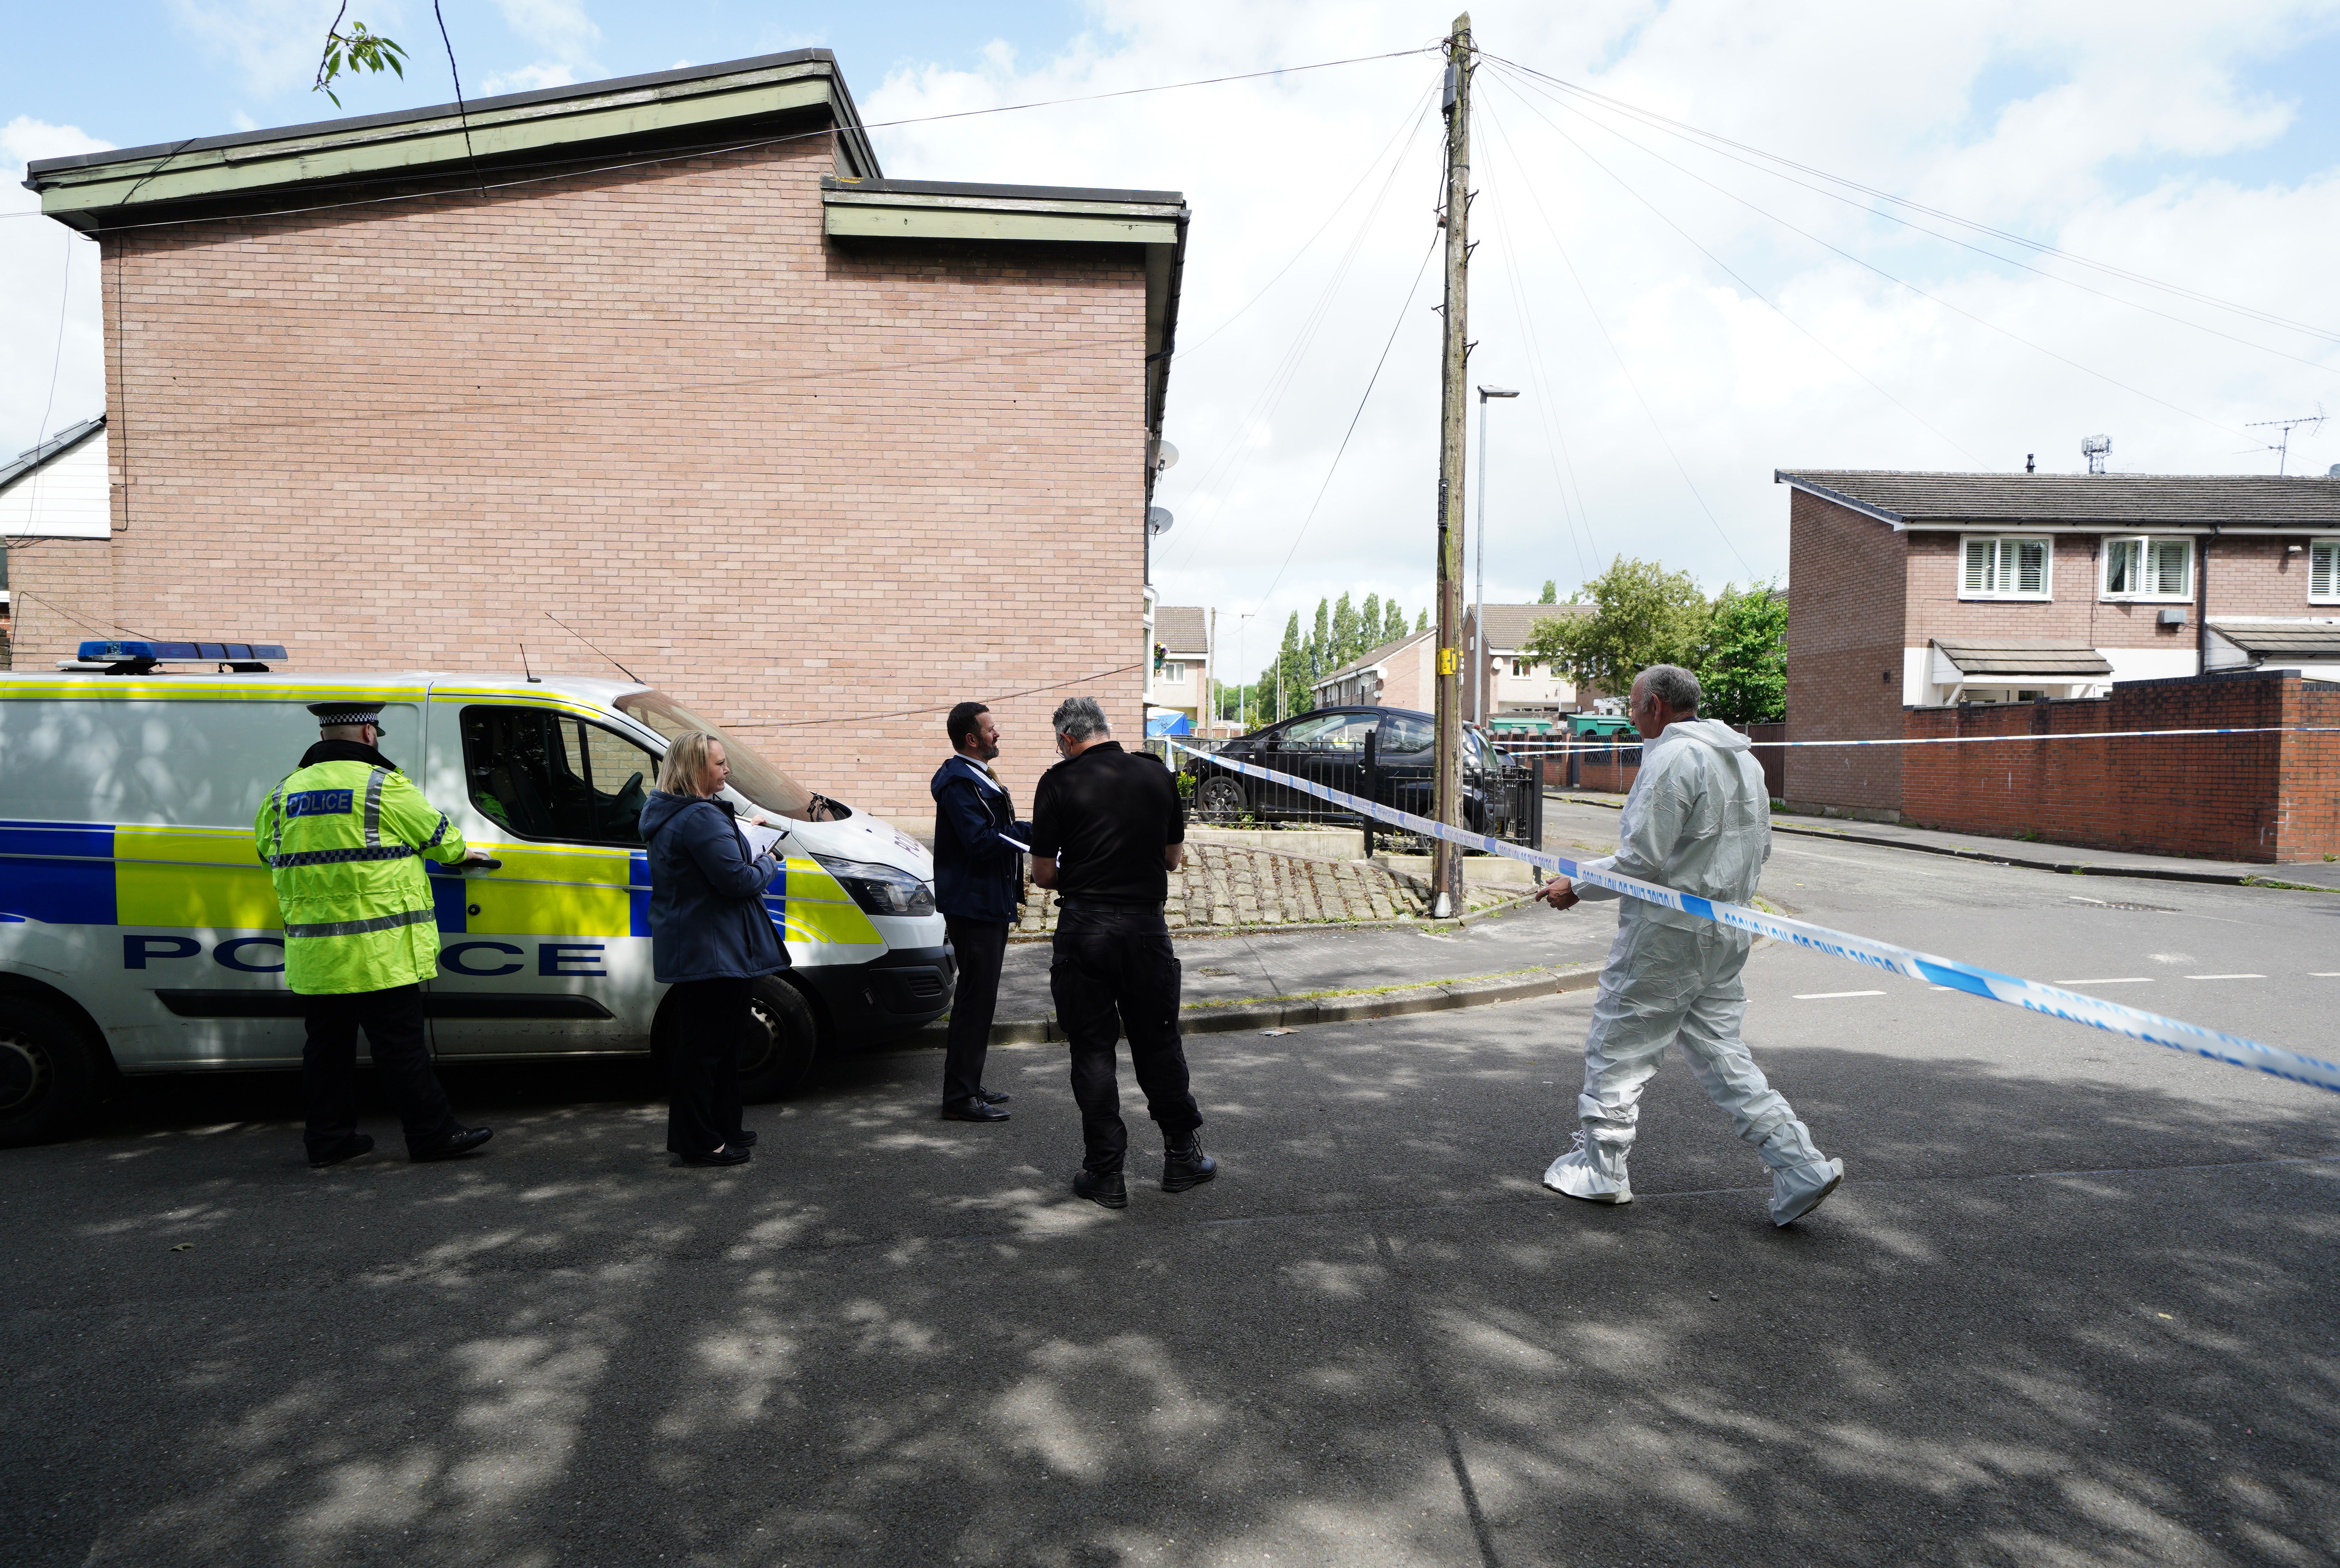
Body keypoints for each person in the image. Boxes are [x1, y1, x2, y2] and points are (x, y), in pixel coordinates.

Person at [1534, 664, 1843, 1226]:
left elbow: (1640, 860)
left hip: (1666, 933)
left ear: (1654, 705)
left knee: (1618, 1043)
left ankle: (1602, 1167)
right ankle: (1798, 1163)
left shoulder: (1673, 759)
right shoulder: (1743, 760)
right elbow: (1761, 848)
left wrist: (1575, 886)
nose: (1628, 717)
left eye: (1631, 706)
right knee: (1720, 1050)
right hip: (1725, 929)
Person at [254, 702, 494, 1168]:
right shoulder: (383, 786)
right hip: (379, 950)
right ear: (368, 734)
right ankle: (431, 1135)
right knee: (400, 1047)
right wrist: (465, 855)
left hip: (318, 953)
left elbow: (267, 853)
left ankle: (329, 1140)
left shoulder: (284, 793)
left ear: (325, 738)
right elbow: (443, 841)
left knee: (326, 1051)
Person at [1028, 696, 1210, 1209]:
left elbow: (1043, 874)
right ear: (1105, 729)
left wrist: (1084, 875)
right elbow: (1173, 859)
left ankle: (1105, 1172)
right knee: (1158, 1042)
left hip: (1085, 929)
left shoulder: (1057, 782)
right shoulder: (1157, 776)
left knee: (1091, 1048)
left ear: (1067, 739)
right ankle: (1181, 1157)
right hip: (1146, 930)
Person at [639, 731, 789, 1168]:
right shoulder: (699, 817)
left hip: (707, 943)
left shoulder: (678, 811)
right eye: (720, 763)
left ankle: (725, 1124)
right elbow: (737, 880)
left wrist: (744, 836)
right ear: (695, 770)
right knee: (705, 1049)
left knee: (722, 1042)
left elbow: (713, 860)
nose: (727, 770)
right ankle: (698, 1141)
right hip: (712, 947)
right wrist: (769, 859)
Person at [930, 700, 1030, 1122]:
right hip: (974, 904)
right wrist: (1033, 834)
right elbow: (980, 841)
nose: (997, 734)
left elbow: (993, 832)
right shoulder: (959, 783)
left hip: (986, 900)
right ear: (971, 739)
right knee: (975, 999)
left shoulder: (975, 777)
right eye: (991, 730)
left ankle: (968, 1082)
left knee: (980, 997)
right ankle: (959, 1097)